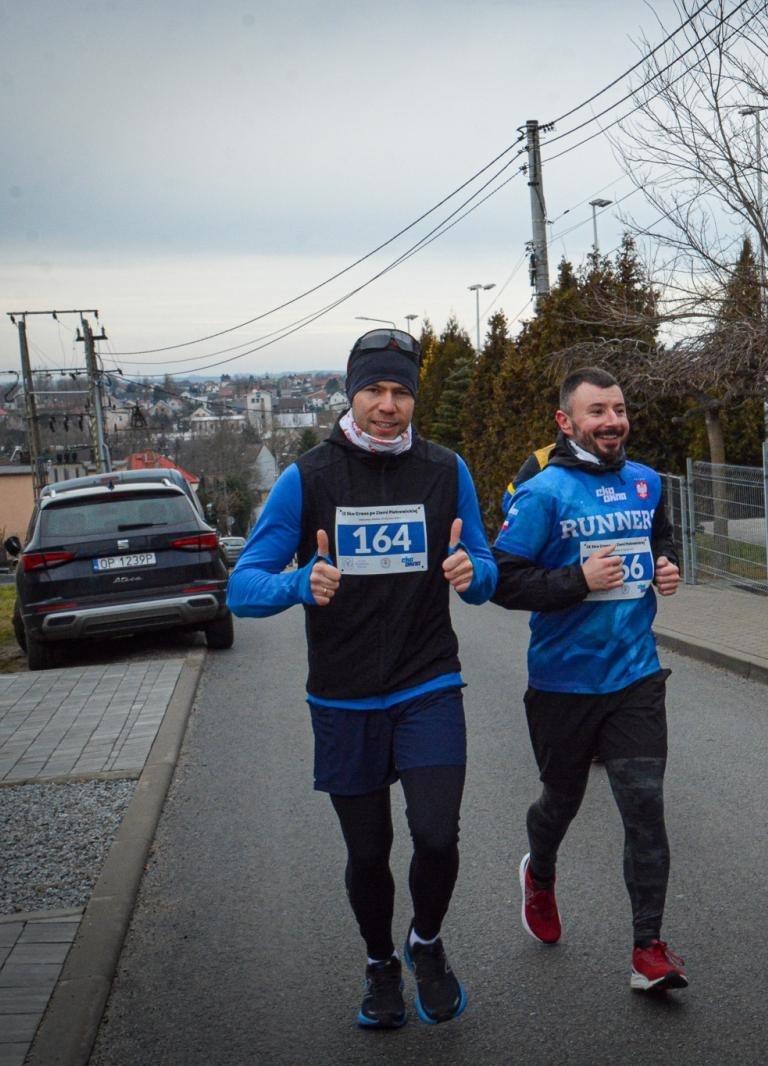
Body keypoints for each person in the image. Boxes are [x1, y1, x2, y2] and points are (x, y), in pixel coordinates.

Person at [227, 328, 496, 1030]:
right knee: (369, 852)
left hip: (427, 683)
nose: (387, 405)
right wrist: (297, 583)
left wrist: (473, 576)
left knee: (437, 835)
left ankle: (426, 943)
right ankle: (380, 963)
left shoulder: (446, 471)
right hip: (343, 698)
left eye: (401, 391)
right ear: (352, 394)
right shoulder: (309, 477)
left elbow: (486, 569)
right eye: (374, 390)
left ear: (414, 398)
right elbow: (242, 587)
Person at [491, 366, 687, 993]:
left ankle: (647, 949)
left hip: (634, 677)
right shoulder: (544, 493)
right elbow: (503, 581)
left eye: (620, 409)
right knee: (562, 802)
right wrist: (578, 582)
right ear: (566, 422)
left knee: (645, 811)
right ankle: (540, 873)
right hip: (562, 683)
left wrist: (666, 566)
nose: (612, 422)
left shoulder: (647, 482)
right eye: (596, 411)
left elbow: (661, 539)